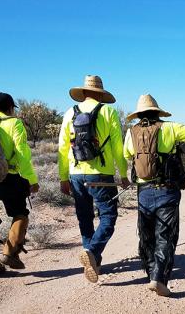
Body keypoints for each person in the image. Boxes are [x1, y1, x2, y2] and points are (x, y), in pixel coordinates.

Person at [123, 94, 185, 296]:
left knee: (147, 236)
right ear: (158, 112)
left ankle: (151, 273)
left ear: (139, 114)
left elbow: (127, 156)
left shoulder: (131, 132)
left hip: (144, 192)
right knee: (166, 235)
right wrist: (180, 151)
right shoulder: (169, 128)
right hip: (167, 190)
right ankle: (159, 278)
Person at [58, 75, 130, 283]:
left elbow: (63, 148)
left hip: (76, 173)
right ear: (100, 93)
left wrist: (63, 177)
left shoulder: (69, 113)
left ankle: (93, 260)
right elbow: (117, 146)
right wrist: (123, 174)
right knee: (108, 216)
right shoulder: (108, 111)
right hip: (101, 175)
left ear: (83, 92)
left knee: (85, 218)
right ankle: (93, 251)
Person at [0, 92, 40, 277]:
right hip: (8, 177)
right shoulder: (14, 123)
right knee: (20, 212)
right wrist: (31, 180)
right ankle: (10, 253)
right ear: (10, 108)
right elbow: (22, 155)